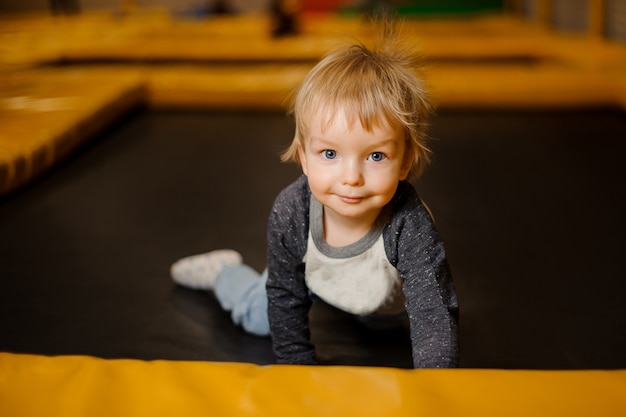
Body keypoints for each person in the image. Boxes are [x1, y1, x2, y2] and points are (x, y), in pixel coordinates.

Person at [171, 35, 459, 368]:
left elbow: (433, 311)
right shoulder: (292, 210)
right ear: (304, 157)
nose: (351, 177)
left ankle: (360, 310)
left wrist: (437, 391)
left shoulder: (409, 224)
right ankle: (224, 273)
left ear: (405, 162)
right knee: (258, 318)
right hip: (313, 277)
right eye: (330, 153)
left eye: (376, 155)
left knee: (383, 323)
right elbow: (284, 295)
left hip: (377, 295)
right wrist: (299, 373)